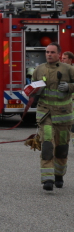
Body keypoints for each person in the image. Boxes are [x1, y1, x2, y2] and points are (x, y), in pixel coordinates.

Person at [30, 42, 74, 191]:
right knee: (47, 144)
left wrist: (69, 87)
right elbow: (31, 87)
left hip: (63, 116)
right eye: (47, 52)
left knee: (62, 148)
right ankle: (47, 179)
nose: (49, 54)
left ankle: (59, 175)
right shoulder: (39, 69)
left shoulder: (68, 69)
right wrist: (33, 91)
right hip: (45, 114)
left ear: (59, 54)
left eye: (52, 52)